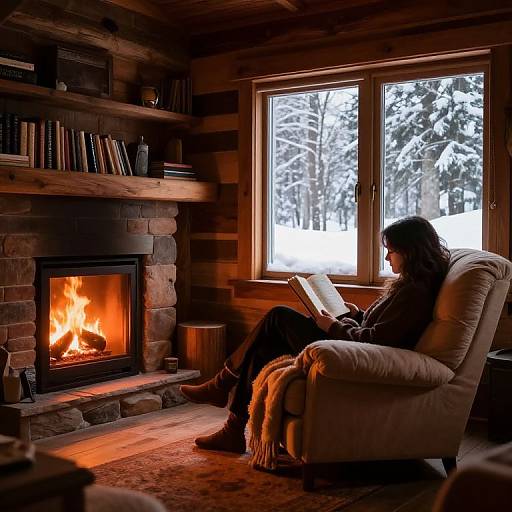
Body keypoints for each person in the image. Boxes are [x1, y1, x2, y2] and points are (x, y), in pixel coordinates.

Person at [180, 216, 450, 454]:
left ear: (410, 251)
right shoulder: (411, 284)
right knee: (264, 349)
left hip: (353, 355)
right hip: (353, 343)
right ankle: (233, 429)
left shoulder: (416, 292)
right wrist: (356, 314)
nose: (387, 257)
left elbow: (376, 340)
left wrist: (332, 325)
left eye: (391, 251)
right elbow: (384, 325)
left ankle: (222, 384)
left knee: (279, 316)